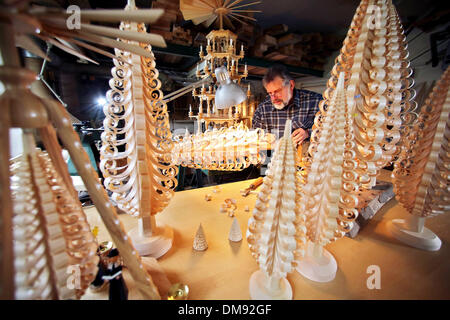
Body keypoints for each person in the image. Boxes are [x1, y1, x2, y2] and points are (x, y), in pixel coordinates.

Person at [252, 65, 322, 148]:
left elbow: (333, 131)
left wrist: (308, 132)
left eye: (277, 91)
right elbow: (255, 140)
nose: (273, 98)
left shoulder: (316, 101)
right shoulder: (262, 110)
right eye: (270, 93)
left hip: (306, 159)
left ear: (291, 85)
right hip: (274, 159)